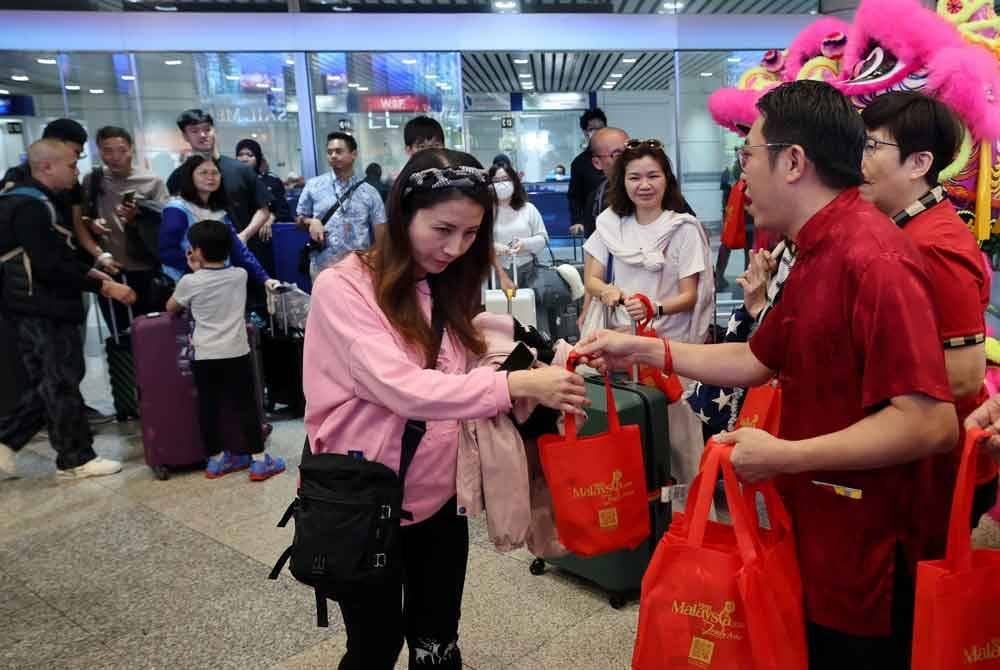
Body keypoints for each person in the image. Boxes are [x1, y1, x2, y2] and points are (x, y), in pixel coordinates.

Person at [575, 80, 958, 669]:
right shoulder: (815, 247)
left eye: (748, 154)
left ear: (794, 162)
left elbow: (929, 425)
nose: (742, 174)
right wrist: (641, 349)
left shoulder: (874, 259)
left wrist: (782, 455)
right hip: (816, 526)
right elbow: (758, 358)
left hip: (866, 545)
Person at [303, 148, 588, 669]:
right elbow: (405, 388)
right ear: (403, 212)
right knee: (374, 646)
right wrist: (515, 383)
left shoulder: (446, 281)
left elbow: (462, 368)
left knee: (438, 643)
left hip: (439, 497)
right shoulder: (342, 288)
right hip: (365, 501)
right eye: (442, 229)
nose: (456, 247)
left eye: (471, 233)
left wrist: (530, 358)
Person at [859, 91, 996, 555]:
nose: (856, 159)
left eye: (871, 147)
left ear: (919, 163)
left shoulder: (935, 246)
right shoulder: (903, 228)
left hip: (937, 466)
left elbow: (963, 376)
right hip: (913, 452)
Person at [0, 140, 136, 479]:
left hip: (29, 305)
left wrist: (95, 274)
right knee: (60, 380)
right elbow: (50, 264)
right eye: (71, 166)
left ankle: (8, 441)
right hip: (41, 306)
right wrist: (103, 284)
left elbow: (56, 255)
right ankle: (76, 458)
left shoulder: (31, 201)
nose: (76, 173)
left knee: (49, 382)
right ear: (46, 167)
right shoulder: (30, 206)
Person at [582, 138, 713, 484]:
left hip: (671, 349)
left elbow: (689, 296)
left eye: (652, 176)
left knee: (680, 441)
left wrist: (654, 306)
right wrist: (608, 291)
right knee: (630, 432)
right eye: (634, 177)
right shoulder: (610, 223)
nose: (644, 185)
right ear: (622, 181)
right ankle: (638, 522)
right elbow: (591, 280)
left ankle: (688, 522)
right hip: (622, 348)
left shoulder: (682, 228)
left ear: (666, 179)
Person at [166, 220, 285, 481]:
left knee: (208, 407)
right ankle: (258, 461)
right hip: (236, 353)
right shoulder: (239, 276)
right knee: (245, 406)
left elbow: (171, 307)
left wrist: (193, 270)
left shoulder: (189, 282)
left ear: (196, 251)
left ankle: (216, 460)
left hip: (205, 355)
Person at [76, 126, 169, 333]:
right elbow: (81, 219)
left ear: (132, 149)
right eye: (107, 151)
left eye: (121, 150)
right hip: (109, 269)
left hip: (147, 269)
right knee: (119, 334)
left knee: (153, 332)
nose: (115, 157)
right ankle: (124, 367)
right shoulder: (93, 180)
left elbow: (166, 224)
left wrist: (138, 217)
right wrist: (91, 222)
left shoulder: (152, 181)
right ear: (99, 151)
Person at [159, 155, 278, 296]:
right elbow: (166, 252)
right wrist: (201, 271)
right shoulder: (177, 209)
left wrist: (264, 278)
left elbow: (237, 249)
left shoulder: (219, 211)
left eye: (215, 173)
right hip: (186, 285)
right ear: (190, 177)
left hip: (218, 283)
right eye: (203, 172)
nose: (210, 177)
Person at [295, 132, 386, 280]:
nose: (333, 156)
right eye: (329, 152)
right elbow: (299, 220)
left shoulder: (369, 192)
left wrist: (374, 263)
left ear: (353, 154)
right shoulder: (314, 186)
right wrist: (311, 222)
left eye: (338, 151)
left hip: (359, 269)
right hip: (323, 267)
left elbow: (381, 236)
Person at [574, 127, 630, 331]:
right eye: (617, 154)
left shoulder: (663, 194)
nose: (644, 186)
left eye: (630, 150)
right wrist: (587, 307)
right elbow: (593, 259)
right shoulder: (597, 200)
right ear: (597, 162)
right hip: (615, 299)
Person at [488, 160, 548, 291]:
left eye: (505, 179)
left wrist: (524, 244)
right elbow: (479, 242)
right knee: (500, 309)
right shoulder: (485, 212)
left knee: (529, 308)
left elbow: (543, 239)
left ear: (514, 181)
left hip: (528, 270)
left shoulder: (528, 209)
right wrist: (495, 247)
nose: (501, 184)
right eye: (496, 180)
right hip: (497, 272)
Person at [567, 108, 608, 236]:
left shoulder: (617, 155)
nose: (598, 132)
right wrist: (577, 221)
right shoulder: (579, 163)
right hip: (593, 223)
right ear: (585, 132)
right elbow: (575, 196)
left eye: (601, 128)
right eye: (592, 129)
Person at [236, 138, 291, 229]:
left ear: (257, 158)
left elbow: (283, 210)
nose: (244, 159)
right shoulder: (230, 180)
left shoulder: (271, 180)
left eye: (250, 155)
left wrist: (271, 218)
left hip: (267, 231)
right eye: (240, 155)